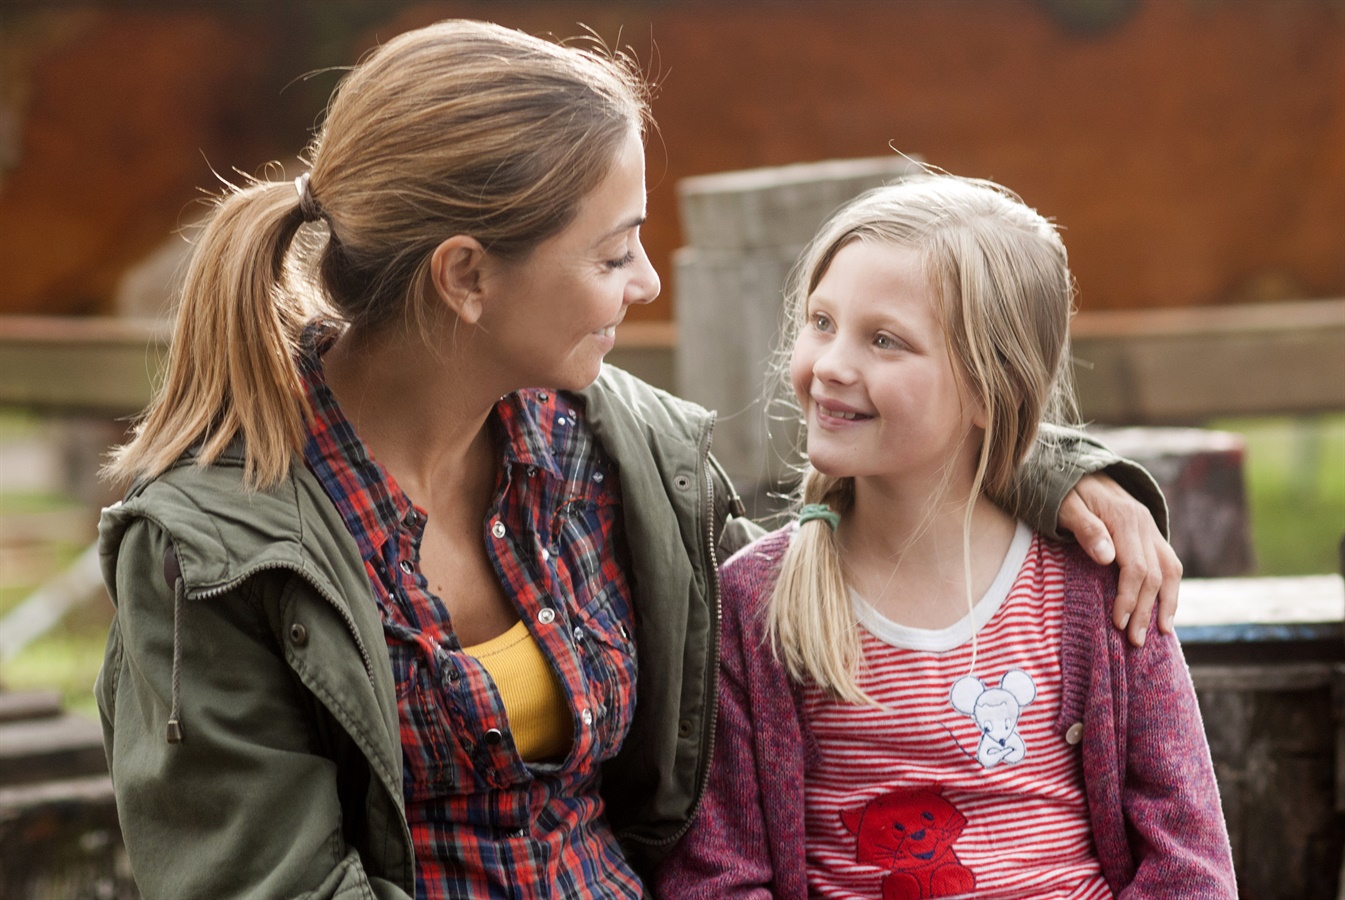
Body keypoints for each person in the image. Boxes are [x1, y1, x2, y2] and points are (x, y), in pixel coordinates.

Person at [94, 20, 1178, 900]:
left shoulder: (621, 456)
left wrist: (1044, 465)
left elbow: (848, 562)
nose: (647, 283)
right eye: (612, 252)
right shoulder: (210, 554)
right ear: (466, 278)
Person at [656, 175, 1235, 898]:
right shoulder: (752, 607)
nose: (831, 365)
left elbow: (1188, 861)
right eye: (821, 322)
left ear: (991, 390)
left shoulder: (1094, 588)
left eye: (884, 341)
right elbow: (716, 876)